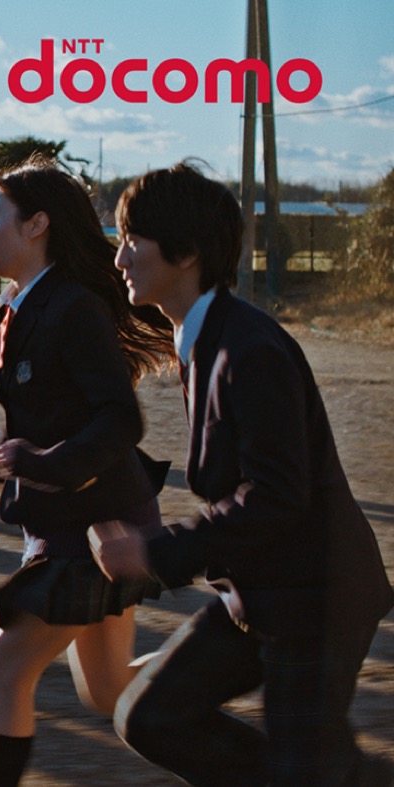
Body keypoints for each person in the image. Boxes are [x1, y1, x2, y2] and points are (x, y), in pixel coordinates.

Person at [91, 162, 394, 786]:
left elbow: (277, 494)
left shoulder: (247, 350)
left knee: (304, 771)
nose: (119, 257)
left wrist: (154, 550)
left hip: (317, 598)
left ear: (186, 254)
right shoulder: (203, 339)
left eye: (132, 240)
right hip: (259, 592)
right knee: (150, 716)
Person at [0, 155, 173, 787]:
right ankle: (222, 651)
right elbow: (34, 419)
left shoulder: (74, 307)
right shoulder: (13, 308)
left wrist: (48, 466)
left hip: (97, 524)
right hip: (69, 520)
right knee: (108, 690)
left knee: (8, 669)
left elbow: (119, 419)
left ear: (38, 224)